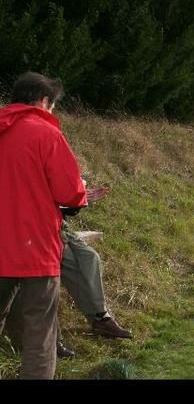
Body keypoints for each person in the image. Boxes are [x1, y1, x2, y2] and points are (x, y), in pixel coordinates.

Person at [0, 72, 87, 379]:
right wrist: (81, 193)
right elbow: (69, 193)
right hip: (35, 247)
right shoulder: (46, 134)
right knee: (40, 333)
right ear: (44, 101)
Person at [56, 184, 133, 357]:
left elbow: (57, 201)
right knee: (67, 266)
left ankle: (101, 317)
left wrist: (80, 199)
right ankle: (98, 319)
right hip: (41, 229)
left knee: (91, 258)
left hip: (58, 224)